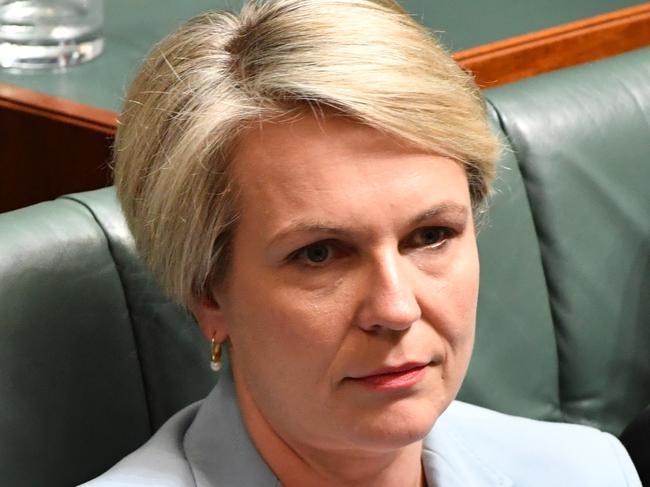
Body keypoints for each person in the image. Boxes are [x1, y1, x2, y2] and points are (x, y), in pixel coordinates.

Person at [81, 1, 641, 485]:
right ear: (207, 292)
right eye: (320, 253)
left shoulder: (586, 471)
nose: (396, 309)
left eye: (430, 236)